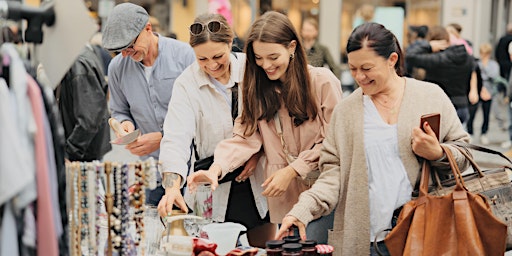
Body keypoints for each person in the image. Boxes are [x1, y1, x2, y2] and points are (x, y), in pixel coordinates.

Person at [276, 22, 471, 255]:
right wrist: (301, 210)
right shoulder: (346, 111)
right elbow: (333, 176)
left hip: (422, 235)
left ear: (392, 60)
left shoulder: (430, 96)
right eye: (353, 68)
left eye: (367, 68)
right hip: (364, 241)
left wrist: (437, 153)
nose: (359, 76)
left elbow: (465, 154)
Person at [187, 11, 343, 243]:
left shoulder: (322, 82)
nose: (265, 65)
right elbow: (244, 136)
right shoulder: (258, 88)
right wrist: (216, 169)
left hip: (321, 192)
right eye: (258, 58)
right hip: (282, 197)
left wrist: (291, 171)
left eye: (272, 57)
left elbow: (334, 143)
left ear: (292, 47)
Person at [157, 13, 275, 247]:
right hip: (210, 182)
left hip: (255, 179)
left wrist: (258, 153)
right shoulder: (186, 83)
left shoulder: (252, 69)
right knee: (214, 247)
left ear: (231, 43)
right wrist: (172, 186)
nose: (212, 65)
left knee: (262, 248)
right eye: (202, 59)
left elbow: (272, 121)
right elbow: (175, 138)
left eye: (218, 56)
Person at [102, 3, 195, 205]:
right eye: (120, 50)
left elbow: (201, 116)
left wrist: (162, 139)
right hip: (153, 173)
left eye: (130, 46)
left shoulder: (185, 56)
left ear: (148, 28)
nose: (126, 54)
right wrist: (124, 124)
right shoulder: (117, 68)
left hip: (192, 171)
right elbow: (119, 110)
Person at [405, 25, 475, 125]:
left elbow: (410, 56)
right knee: (457, 139)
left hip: (440, 109)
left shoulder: (438, 60)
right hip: (462, 106)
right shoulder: (467, 57)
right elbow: (475, 70)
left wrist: (429, 46)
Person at [56, 44, 112, 162]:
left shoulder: (78, 64)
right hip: (85, 149)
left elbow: (89, 119)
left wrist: (69, 152)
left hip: (83, 152)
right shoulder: (80, 55)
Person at [467, 43, 499, 145]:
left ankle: (483, 133)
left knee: (486, 114)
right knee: (472, 113)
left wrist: (483, 70)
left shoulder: (493, 65)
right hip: (477, 91)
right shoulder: (476, 63)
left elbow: (494, 76)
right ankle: (470, 132)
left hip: (489, 93)